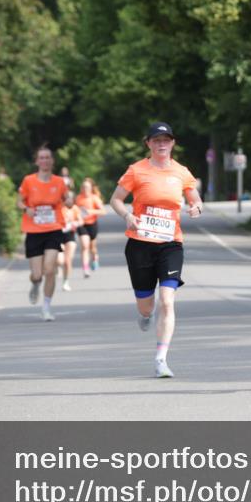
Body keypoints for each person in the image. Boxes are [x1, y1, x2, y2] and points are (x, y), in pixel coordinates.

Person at [110, 122, 202, 378]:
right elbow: (115, 199)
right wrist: (127, 215)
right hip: (140, 244)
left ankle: (161, 358)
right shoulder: (136, 170)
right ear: (148, 143)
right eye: (156, 139)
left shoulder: (181, 172)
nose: (162, 144)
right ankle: (145, 315)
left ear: (173, 143)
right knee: (146, 306)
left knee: (167, 301)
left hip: (171, 244)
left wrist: (197, 208)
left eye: (166, 139)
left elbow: (195, 199)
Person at [18, 145, 73, 321]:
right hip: (33, 230)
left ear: (52, 161)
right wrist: (26, 208)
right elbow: (19, 202)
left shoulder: (59, 182)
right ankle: (35, 284)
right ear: (37, 161)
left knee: (50, 269)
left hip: (54, 228)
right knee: (37, 274)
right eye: (41, 158)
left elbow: (68, 200)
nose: (44, 161)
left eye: (47, 157)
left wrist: (70, 201)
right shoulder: (28, 181)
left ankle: (46, 307)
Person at [76, 178, 104, 277]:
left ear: (91, 188)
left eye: (87, 187)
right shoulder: (78, 198)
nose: (85, 189)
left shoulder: (94, 198)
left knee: (92, 247)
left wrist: (91, 211)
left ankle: (95, 258)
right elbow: (73, 210)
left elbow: (103, 211)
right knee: (84, 246)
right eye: (83, 187)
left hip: (92, 224)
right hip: (81, 224)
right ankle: (85, 268)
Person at [58, 200, 85, 292]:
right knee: (60, 260)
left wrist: (75, 223)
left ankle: (66, 282)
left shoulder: (74, 208)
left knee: (67, 261)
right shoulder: (55, 206)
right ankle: (58, 267)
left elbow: (81, 221)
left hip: (70, 234)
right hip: (57, 235)